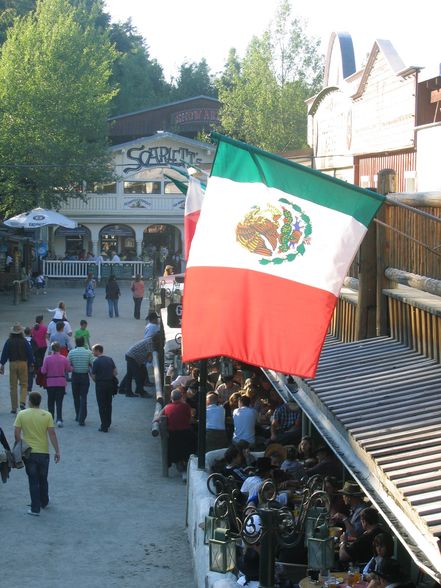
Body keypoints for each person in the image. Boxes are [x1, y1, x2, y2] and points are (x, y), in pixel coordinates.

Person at [14, 391, 61, 515]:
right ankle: (44, 501)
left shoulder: (22, 414)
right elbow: (52, 434)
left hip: (29, 453)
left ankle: (35, 508)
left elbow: (17, 434)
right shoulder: (47, 415)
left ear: (29, 401)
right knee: (43, 479)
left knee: (33, 480)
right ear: (40, 402)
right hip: (44, 452)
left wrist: (21, 446)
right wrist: (57, 451)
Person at [161, 388, 195, 480]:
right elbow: (190, 420)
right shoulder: (186, 406)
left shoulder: (167, 407)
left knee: (176, 451)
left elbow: (159, 417)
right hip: (185, 434)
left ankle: (181, 468)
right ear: (181, 397)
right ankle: (186, 469)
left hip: (172, 435)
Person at [0, 323, 34, 413]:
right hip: (23, 363)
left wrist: (2, 364)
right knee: (24, 384)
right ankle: (22, 402)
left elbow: (4, 354)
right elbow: (30, 353)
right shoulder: (24, 341)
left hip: (12, 364)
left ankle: (14, 408)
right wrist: (31, 363)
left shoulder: (9, 341)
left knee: (13, 386)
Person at [41, 341, 72, 428]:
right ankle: (59, 419)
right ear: (59, 348)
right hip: (61, 382)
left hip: (50, 382)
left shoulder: (47, 359)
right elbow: (69, 369)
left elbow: (43, 371)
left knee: (50, 401)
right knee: (59, 402)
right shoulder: (63, 358)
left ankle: (50, 419)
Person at [68, 336, 94, 426]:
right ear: (83, 343)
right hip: (84, 376)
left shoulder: (71, 353)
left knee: (76, 397)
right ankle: (82, 418)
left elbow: (68, 365)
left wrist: (73, 367)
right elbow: (93, 364)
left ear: (75, 342)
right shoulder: (88, 353)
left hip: (75, 376)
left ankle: (77, 414)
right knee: (83, 397)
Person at [91, 344, 117, 432]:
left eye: (93, 350)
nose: (92, 352)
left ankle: (104, 425)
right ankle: (108, 423)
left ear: (98, 350)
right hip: (110, 384)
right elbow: (115, 372)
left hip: (100, 385)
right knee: (108, 404)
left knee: (101, 405)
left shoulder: (96, 361)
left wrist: (97, 380)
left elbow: (94, 376)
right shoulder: (110, 359)